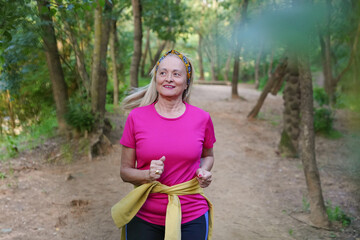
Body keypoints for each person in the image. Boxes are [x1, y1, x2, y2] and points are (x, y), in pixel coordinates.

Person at [111, 50, 216, 240]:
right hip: (143, 214)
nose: (168, 79)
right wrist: (146, 174)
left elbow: (208, 155)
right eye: (163, 73)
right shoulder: (136, 118)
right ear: (156, 78)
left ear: (186, 83)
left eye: (176, 74)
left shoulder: (202, 118)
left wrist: (203, 171)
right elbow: (125, 172)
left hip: (191, 214)